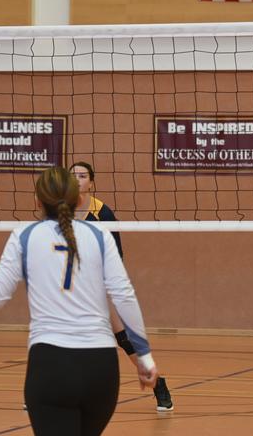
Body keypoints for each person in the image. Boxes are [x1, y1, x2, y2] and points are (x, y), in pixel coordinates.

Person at [0, 166, 158, 436]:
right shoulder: (100, 236)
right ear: (80, 200)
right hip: (101, 369)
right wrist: (145, 357)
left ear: (38, 201)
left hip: (51, 365)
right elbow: (124, 297)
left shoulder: (24, 236)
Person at [70, 161, 173, 412]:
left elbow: (116, 256)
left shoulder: (102, 214)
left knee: (123, 338)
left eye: (82, 176)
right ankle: (46, 392)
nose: (76, 180)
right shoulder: (59, 211)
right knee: (60, 335)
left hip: (98, 283)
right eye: (72, 176)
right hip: (69, 286)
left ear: (91, 183)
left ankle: (158, 383)